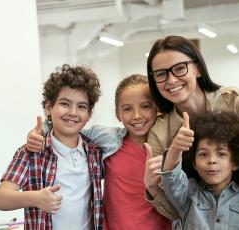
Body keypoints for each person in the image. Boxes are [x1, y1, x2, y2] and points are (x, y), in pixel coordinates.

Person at [143, 35, 239, 229]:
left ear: (197, 68)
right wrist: (152, 187)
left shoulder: (237, 102)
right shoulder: (160, 132)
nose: (171, 80)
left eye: (180, 68)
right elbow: (175, 205)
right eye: (161, 74)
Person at [25, 75, 172, 229]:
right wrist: (40, 131)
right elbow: (70, 127)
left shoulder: (167, 147)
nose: (137, 115)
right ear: (118, 113)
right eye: (127, 108)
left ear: (157, 108)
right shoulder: (108, 138)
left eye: (145, 106)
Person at [0, 64, 104, 230]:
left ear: (88, 115)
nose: (73, 112)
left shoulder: (95, 152)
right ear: (48, 108)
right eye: (65, 104)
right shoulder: (31, 152)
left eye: (81, 106)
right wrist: (36, 198)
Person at [151, 110, 239, 229]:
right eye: (203, 154)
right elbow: (172, 177)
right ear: (193, 163)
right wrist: (176, 148)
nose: (212, 160)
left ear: (236, 162)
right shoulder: (187, 194)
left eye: (221, 154)